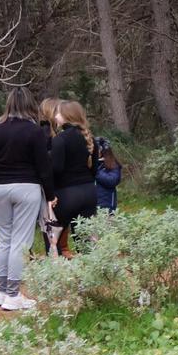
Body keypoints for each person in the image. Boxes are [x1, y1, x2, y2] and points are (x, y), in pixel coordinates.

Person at [0, 86, 51, 311]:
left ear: (9, 103)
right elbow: (44, 166)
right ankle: (13, 295)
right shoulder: (35, 131)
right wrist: (50, 195)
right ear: (30, 104)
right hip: (26, 187)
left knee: (4, 240)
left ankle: (1, 291)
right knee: (21, 242)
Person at [50, 100, 100, 255]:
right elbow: (94, 169)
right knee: (85, 240)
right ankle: (90, 274)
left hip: (67, 194)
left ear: (66, 116)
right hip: (89, 192)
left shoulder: (60, 139)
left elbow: (56, 169)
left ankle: (58, 274)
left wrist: (50, 192)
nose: (55, 116)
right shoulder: (89, 139)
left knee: (53, 240)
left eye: (57, 113)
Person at [36, 97, 62, 255]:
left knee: (51, 224)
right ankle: (53, 255)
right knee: (50, 223)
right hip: (48, 184)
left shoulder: (51, 132)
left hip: (49, 183)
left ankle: (55, 253)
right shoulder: (44, 133)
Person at [93, 136, 123, 213]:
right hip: (90, 208)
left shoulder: (112, 164)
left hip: (106, 209)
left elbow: (111, 181)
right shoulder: (89, 163)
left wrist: (95, 170)